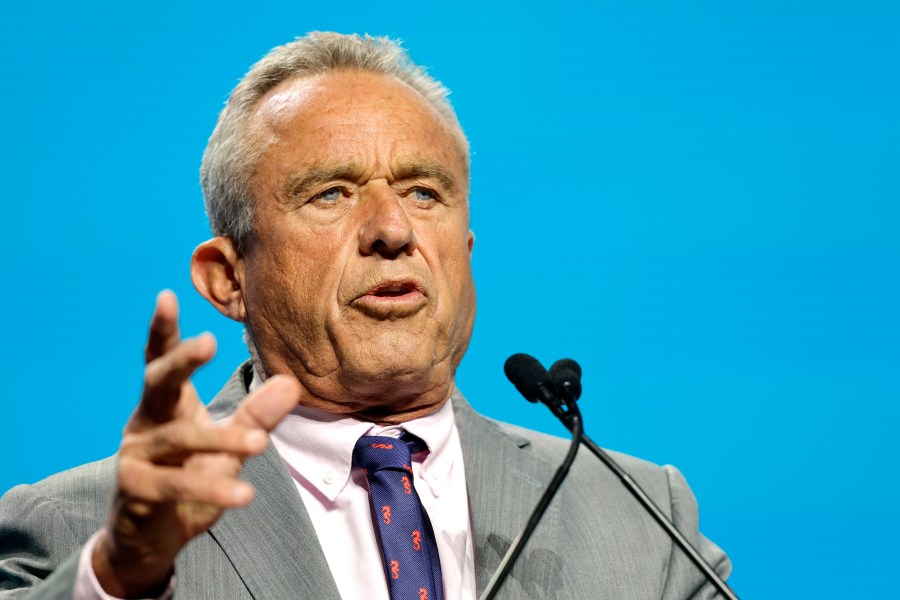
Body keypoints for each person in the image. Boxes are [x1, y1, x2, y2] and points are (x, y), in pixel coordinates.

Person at [0, 32, 731, 599]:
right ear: (229, 280)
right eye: (331, 193)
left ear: (465, 250)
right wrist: (120, 575)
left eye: (423, 192)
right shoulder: (76, 528)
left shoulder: (641, 517)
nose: (392, 229)